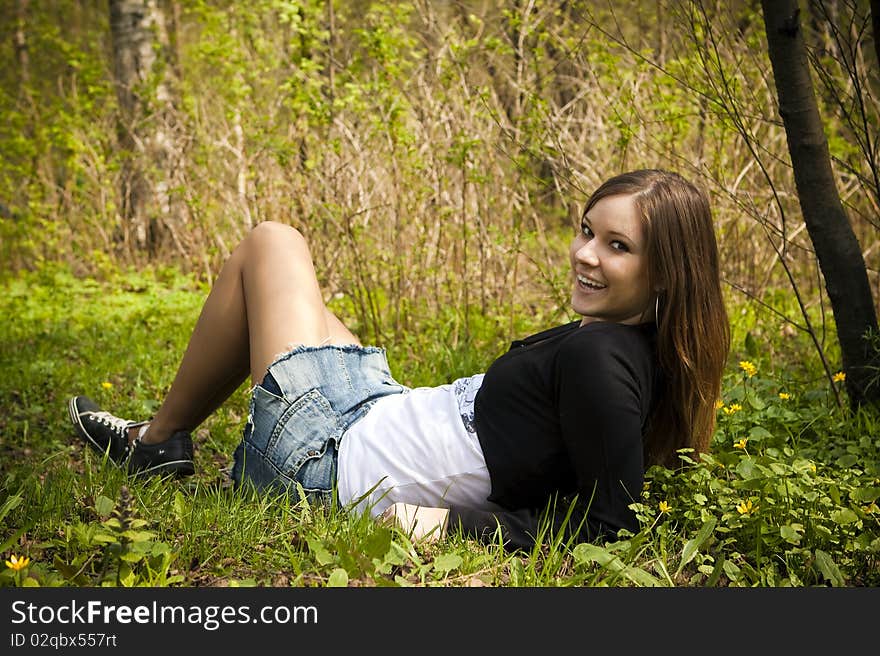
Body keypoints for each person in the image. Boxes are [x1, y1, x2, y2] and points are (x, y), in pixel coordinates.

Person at [68, 169, 730, 549]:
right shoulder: (634, 340)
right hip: (380, 413)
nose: (586, 254)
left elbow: (608, 527)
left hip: (323, 469)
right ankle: (162, 439)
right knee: (298, 301)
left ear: (668, 271)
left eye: (617, 246)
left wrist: (448, 524)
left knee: (272, 245)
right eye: (587, 230)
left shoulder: (603, 359)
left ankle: (157, 442)